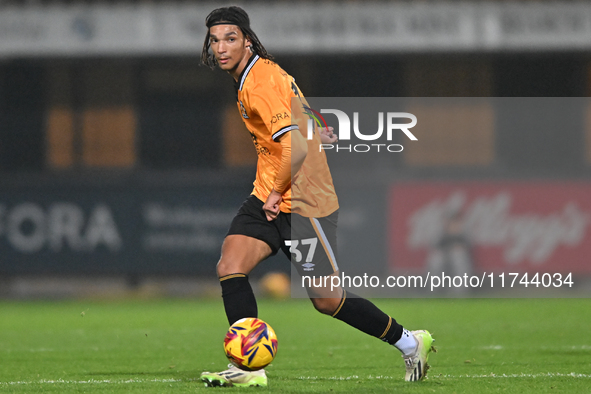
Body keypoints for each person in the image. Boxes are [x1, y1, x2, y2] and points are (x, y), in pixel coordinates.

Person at [199, 6, 435, 387]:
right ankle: (248, 368)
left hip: (304, 201)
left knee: (327, 300)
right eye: (215, 40)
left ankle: (411, 343)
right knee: (230, 265)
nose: (221, 47)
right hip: (271, 192)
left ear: (247, 39)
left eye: (230, 38)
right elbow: (298, 104)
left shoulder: (260, 79)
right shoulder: (259, 72)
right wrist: (319, 128)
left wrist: (277, 192)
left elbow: (299, 148)